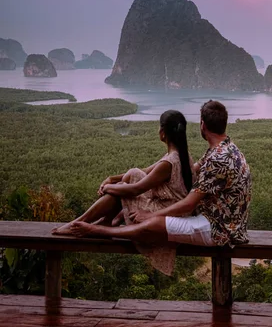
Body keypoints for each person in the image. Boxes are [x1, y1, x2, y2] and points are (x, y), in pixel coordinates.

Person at [67, 100, 252, 261]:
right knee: (140, 195)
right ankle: (99, 221)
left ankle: (97, 230)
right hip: (231, 225)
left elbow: (189, 204)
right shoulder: (224, 149)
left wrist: (152, 215)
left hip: (218, 230)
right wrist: (116, 180)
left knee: (154, 224)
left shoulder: (218, 158)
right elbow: (190, 169)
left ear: (202, 125)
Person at [52, 109, 194, 274]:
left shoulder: (169, 162)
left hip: (165, 218)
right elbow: (146, 171)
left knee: (129, 180)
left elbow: (136, 189)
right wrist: (112, 179)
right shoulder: (181, 156)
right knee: (132, 174)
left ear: (162, 133)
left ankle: (78, 222)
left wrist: (108, 188)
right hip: (173, 213)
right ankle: (101, 220)